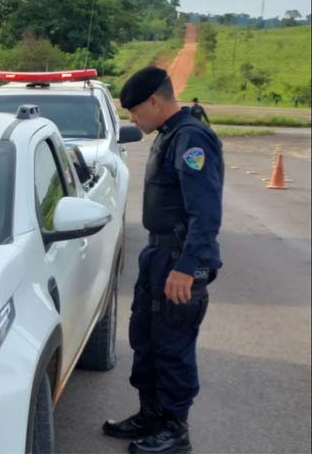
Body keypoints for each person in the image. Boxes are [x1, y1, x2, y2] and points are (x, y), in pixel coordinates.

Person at [103, 67, 223, 454]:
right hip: (159, 254)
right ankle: (150, 415)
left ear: (155, 101)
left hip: (179, 258)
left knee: (172, 345)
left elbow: (204, 213)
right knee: (147, 339)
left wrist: (187, 267)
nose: (133, 120)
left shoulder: (191, 139)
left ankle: (174, 429)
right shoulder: (170, 135)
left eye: (136, 111)